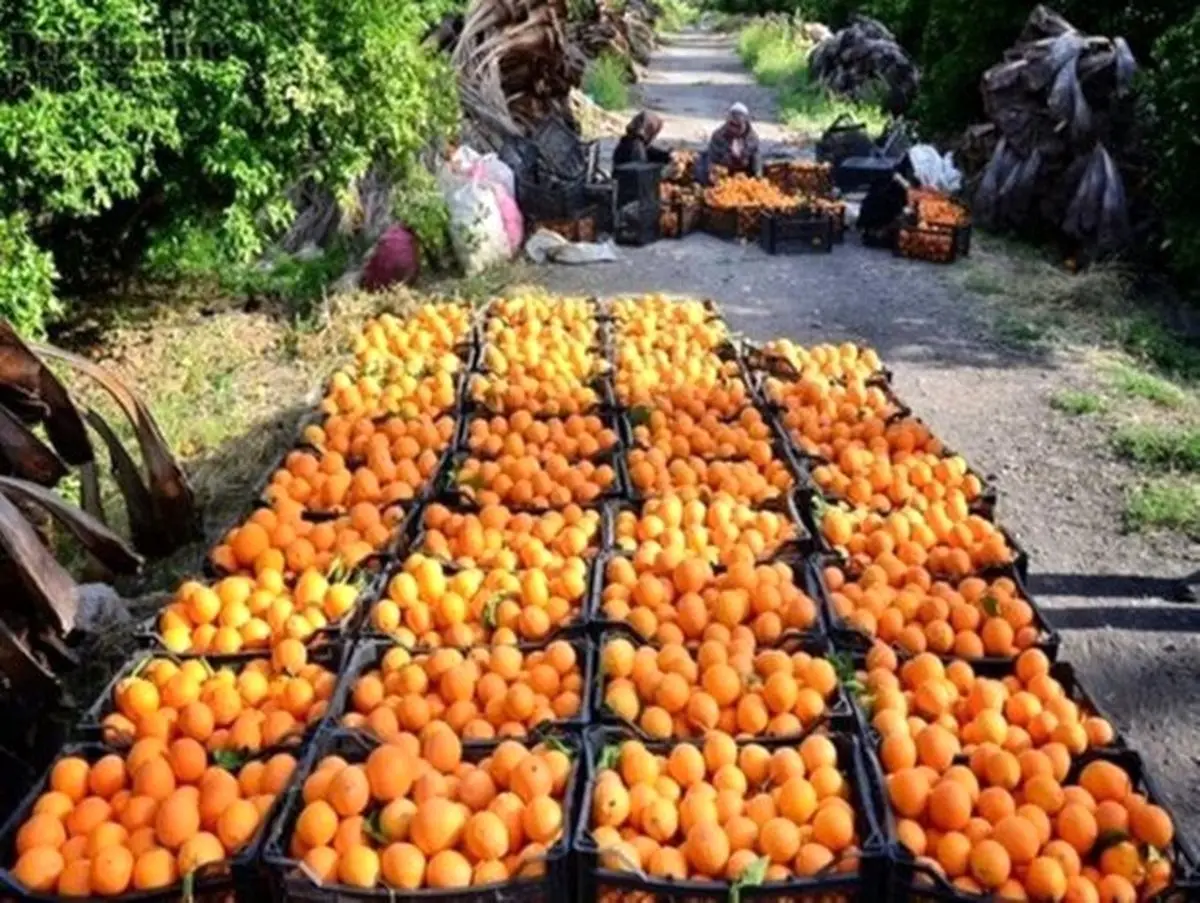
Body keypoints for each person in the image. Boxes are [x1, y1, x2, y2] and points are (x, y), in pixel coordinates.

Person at [705, 103, 761, 179]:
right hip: (724, 172)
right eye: (731, 125)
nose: (734, 129)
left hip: (744, 172)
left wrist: (757, 174)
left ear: (745, 123)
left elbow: (756, 158)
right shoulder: (718, 136)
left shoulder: (753, 138)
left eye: (738, 126)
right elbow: (712, 158)